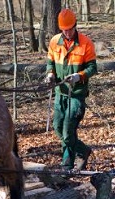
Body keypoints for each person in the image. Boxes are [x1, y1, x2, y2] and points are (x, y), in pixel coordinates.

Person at [44, 8, 97, 171]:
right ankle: (83, 150)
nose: (67, 33)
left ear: (75, 26)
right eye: (64, 30)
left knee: (68, 130)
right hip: (60, 93)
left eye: (69, 29)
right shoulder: (54, 42)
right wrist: (50, 74)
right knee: (58, 126)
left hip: (76, 95)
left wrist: (79, 76)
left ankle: (66, 165)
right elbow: (50, 63)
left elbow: (92, 68)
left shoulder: (85, 43)